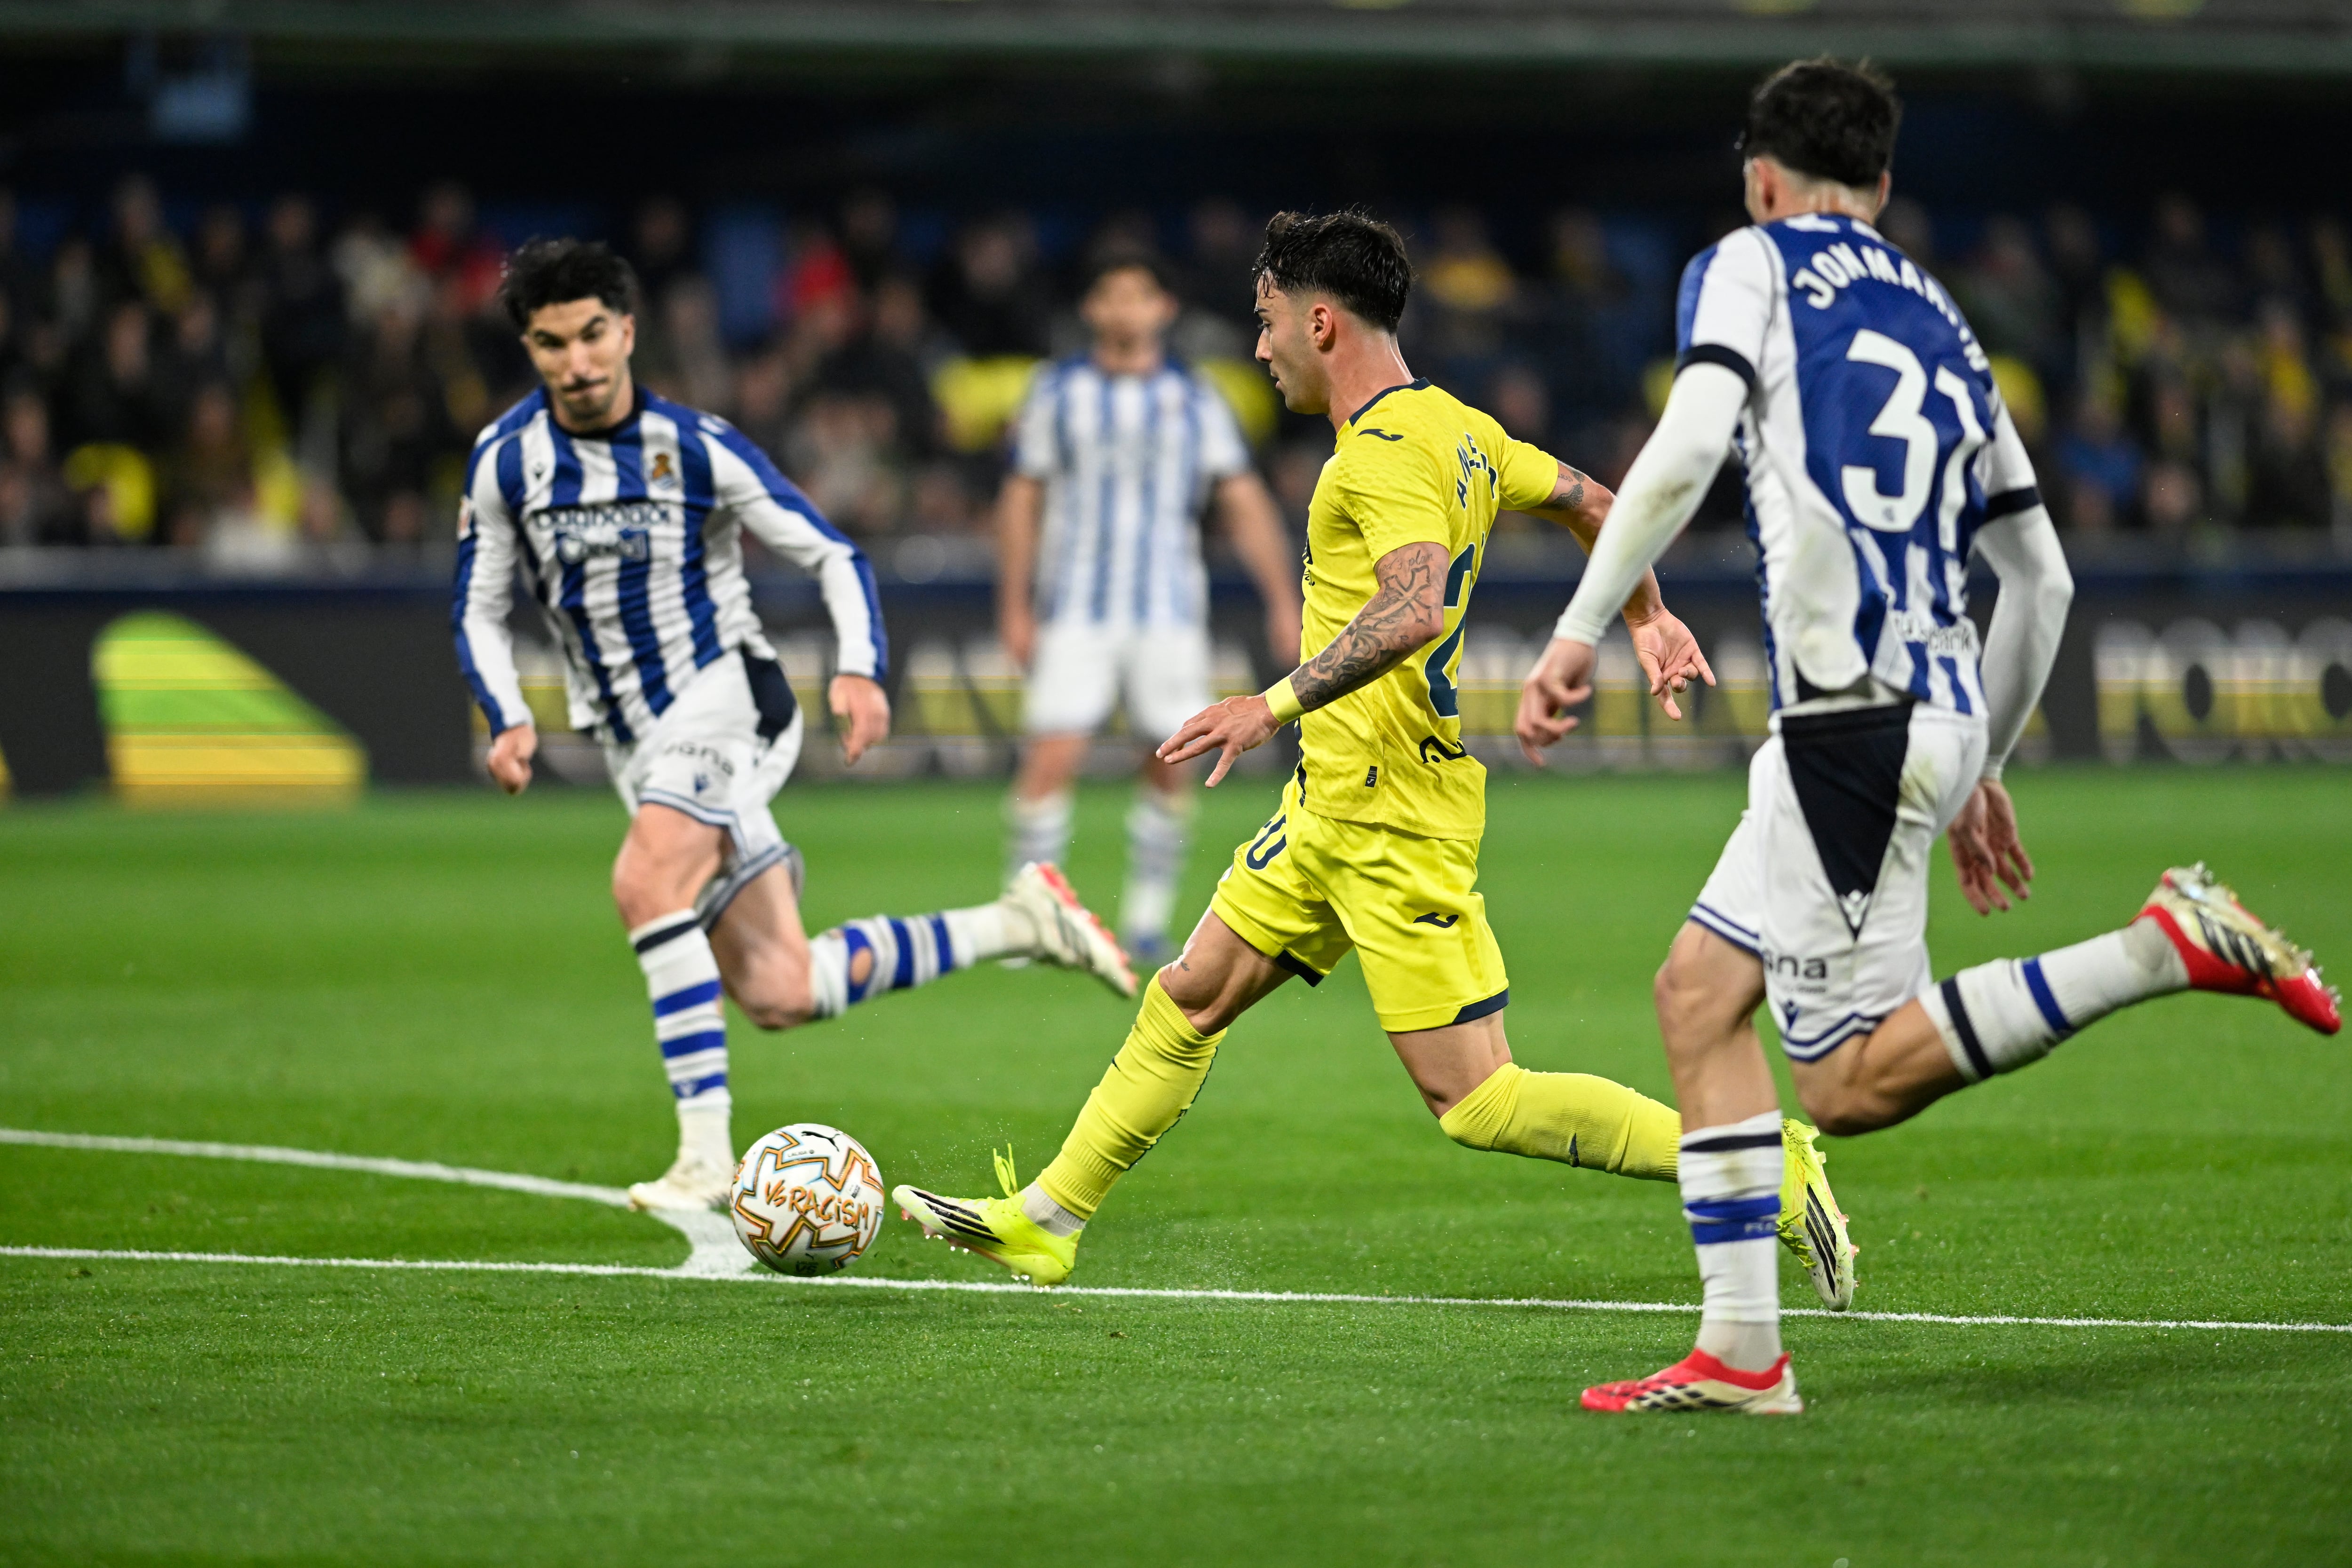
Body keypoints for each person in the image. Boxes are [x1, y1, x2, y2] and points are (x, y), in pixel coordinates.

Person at [1517, 59, 2340, 1417]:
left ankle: (2162, 943)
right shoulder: (1948, 317)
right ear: (1885, 186)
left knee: (1839, 1081)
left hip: (1847, 717)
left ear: (1761, 177)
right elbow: (2049, 578)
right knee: (1696, 994)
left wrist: (1581, 625)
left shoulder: (1752, 262)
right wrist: (1986, 764)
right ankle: (1742, 1349)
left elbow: (1685, 444)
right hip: (1940, 703)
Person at [894, 211, 1851, 1300]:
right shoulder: (1462, 426)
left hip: (1393, 816)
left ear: (1318, 320)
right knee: (1189, 993)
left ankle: (1761, 1162)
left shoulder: (1382, 457)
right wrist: (1645, 612)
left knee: (1481, 1100)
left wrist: (1272, 702)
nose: (1258, 351)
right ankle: (1050, 1220)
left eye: (1264, 325)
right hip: (1332, 806)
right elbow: (1592, 499)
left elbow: (1410, 607)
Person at [452, 239, 1137, 1214]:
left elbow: (832, 553)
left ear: (628, 330)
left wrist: (860, 668)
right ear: (529, 347)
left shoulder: (697, 445)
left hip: (729, 699)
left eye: (594, 333)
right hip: (633, 744)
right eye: (551, 342)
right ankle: (1019, 920)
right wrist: (509, 714)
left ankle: (703, 1158)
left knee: (647, 878)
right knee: (780, 987)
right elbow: (476, 608)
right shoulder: (505, 462)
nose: (578, 361)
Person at [997, 251, 1303, 963]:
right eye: (1112, 295)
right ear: (1094, 310)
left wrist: (1282, 599)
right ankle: (1031, 919)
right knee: (1052, 753)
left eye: (1140, 296)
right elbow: (1021, 496)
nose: (1126, 309)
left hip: (1168, 609)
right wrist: (1014, 602)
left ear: (1164, 309)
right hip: (1076, 605)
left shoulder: (1197, 398)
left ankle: (1143, 922)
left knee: (1171, 758)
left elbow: (1243, 499)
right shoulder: (1055, 391)